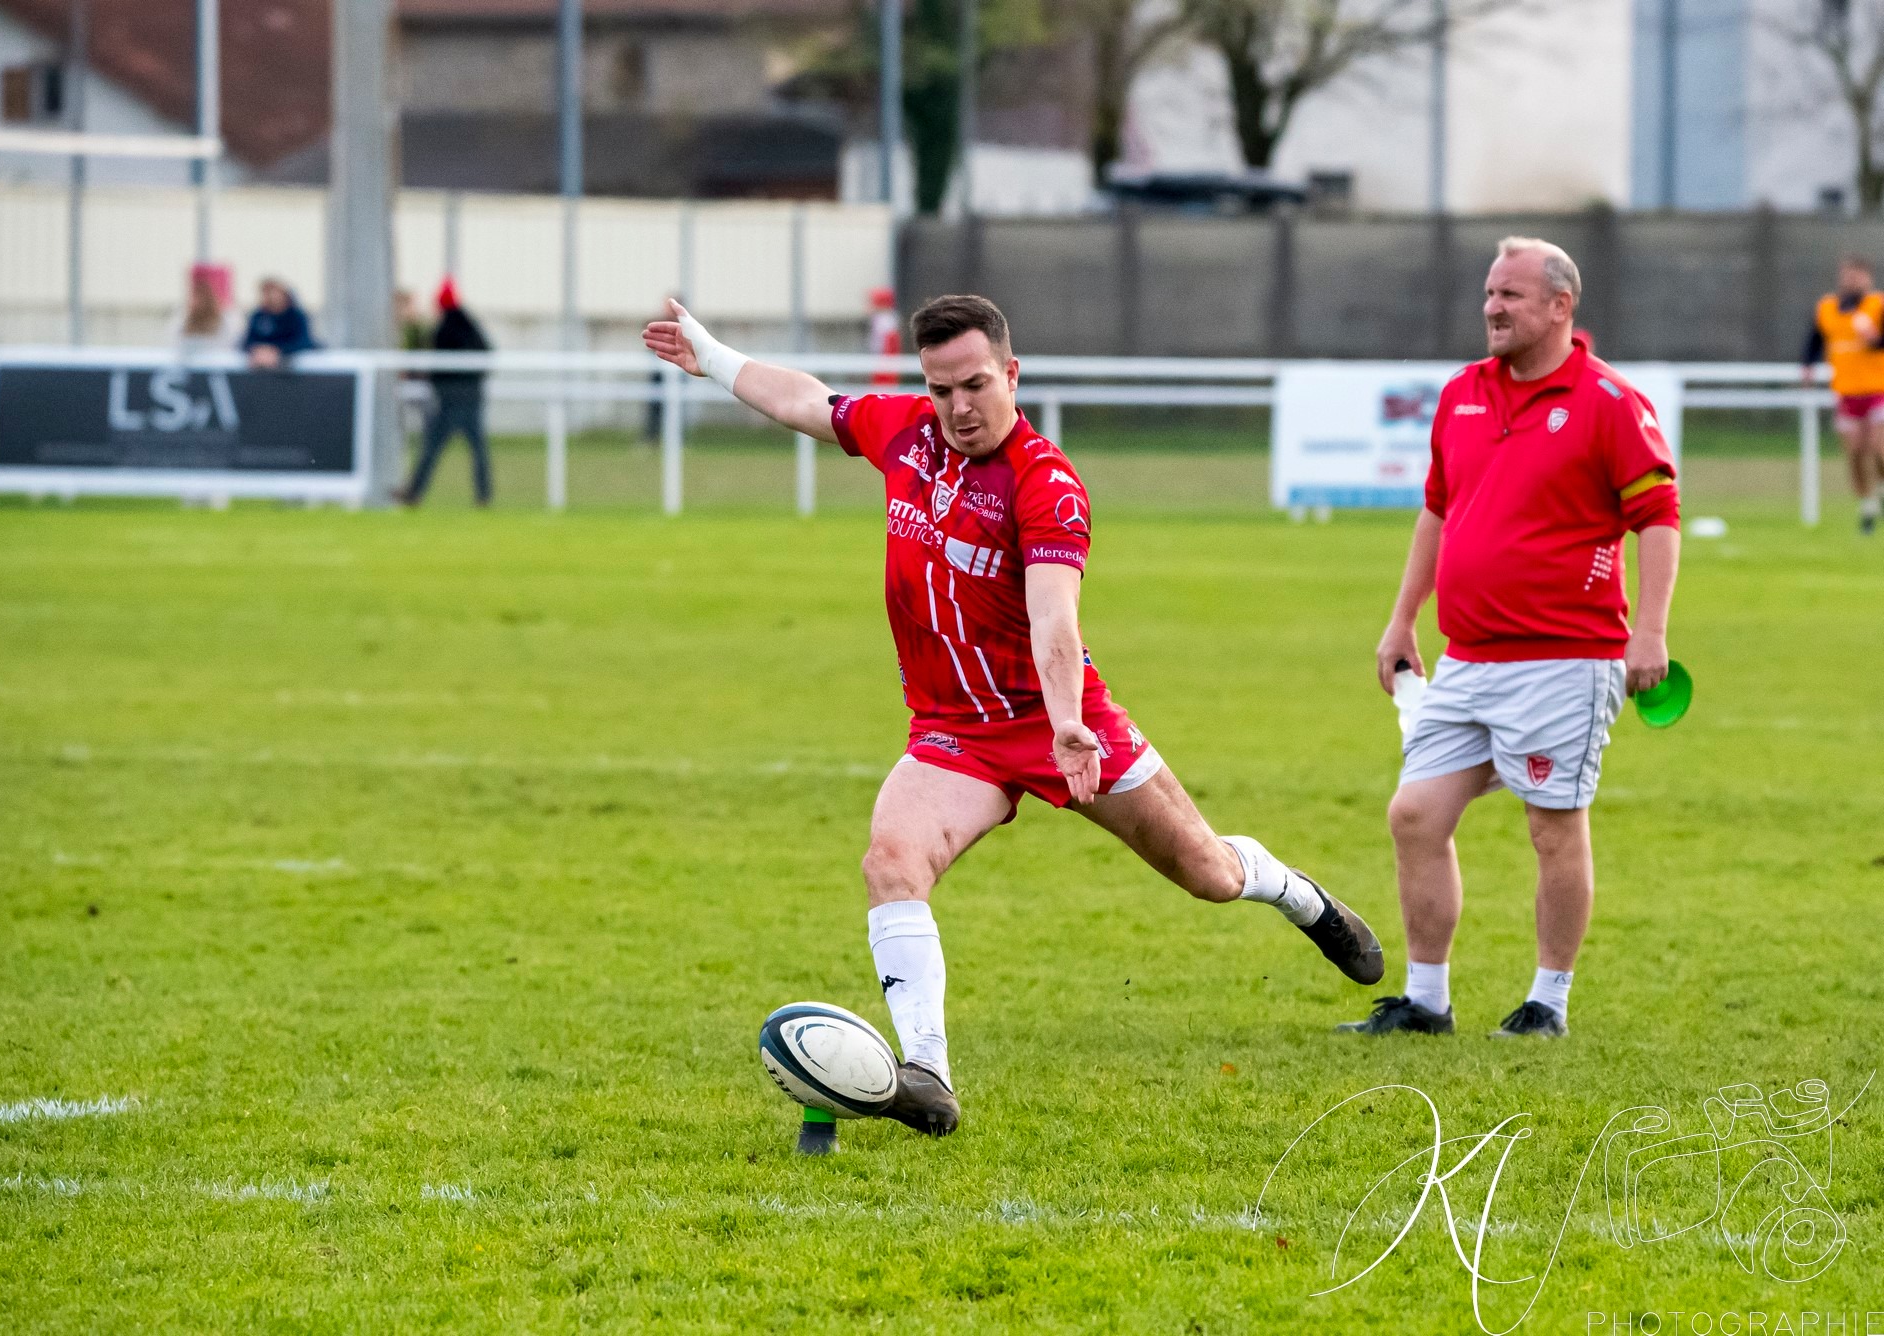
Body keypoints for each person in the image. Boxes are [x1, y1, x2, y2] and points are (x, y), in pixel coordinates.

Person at [643, 293, 1384, 1137]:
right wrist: (711, 355)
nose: (959, 407)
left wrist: (1069, 723)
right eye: (941, 388)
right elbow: (804, 399)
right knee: (891, 863)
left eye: (975, 384)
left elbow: (1054, 620)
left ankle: (1300, 899)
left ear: (1012, 374)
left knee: (1207, 875)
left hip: (1057, 719)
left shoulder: (1047, 482)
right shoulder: (905, 434)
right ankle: (927, 1072)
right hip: (952, 733)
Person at [1348, 237, 1681, 1041]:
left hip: (1565, 660)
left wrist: (1651, 632)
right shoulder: (1462, 393)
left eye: (1512, 296)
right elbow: (1437, 509)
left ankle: (1548, 1004)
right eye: (1490, 294)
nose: (1493, 308)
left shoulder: (1608, 402)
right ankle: (1426, 1002)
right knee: (1416, 816)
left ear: (1561, 307)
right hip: (1468, 657)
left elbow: (1658, 518)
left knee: (1551, 826)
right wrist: (1402, 619)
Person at [1802, 255, 1884, 535]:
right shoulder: (1827, 309)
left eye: (1858, 275)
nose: (1853, 280)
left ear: (1868, 279)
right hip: (1846, 392)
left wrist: (1875, 341)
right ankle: (1867, 506)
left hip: (1878, 390)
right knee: (1855, 453)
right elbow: (1814, 340)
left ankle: (1882, 488)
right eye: (1848, 275)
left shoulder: (1877, 307)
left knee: (1878, 446)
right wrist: (1807, 366)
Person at [396, 278, 493, 507]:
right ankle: (483, 496)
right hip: (470, 397)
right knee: (477, 450)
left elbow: (438, 367)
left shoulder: (446, 328)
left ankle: (414, 492)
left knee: (432, 448)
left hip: (452, 400)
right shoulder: (468, 323)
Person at [240, 278, 318, 369]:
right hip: (261, 367)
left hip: (292, 370)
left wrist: (278, 351)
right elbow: (248, 341)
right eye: (266, 293)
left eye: (274, 293)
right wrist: (258, 350)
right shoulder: (258, 316)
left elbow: (304, 341)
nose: (271, 297)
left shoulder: (296, 316)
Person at [170, 264, 243, 356]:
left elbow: (230, 347)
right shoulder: (183, 318)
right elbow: (175, 344)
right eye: (194, 293)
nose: (194, 299)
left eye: (200, 294)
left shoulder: (229, 319)